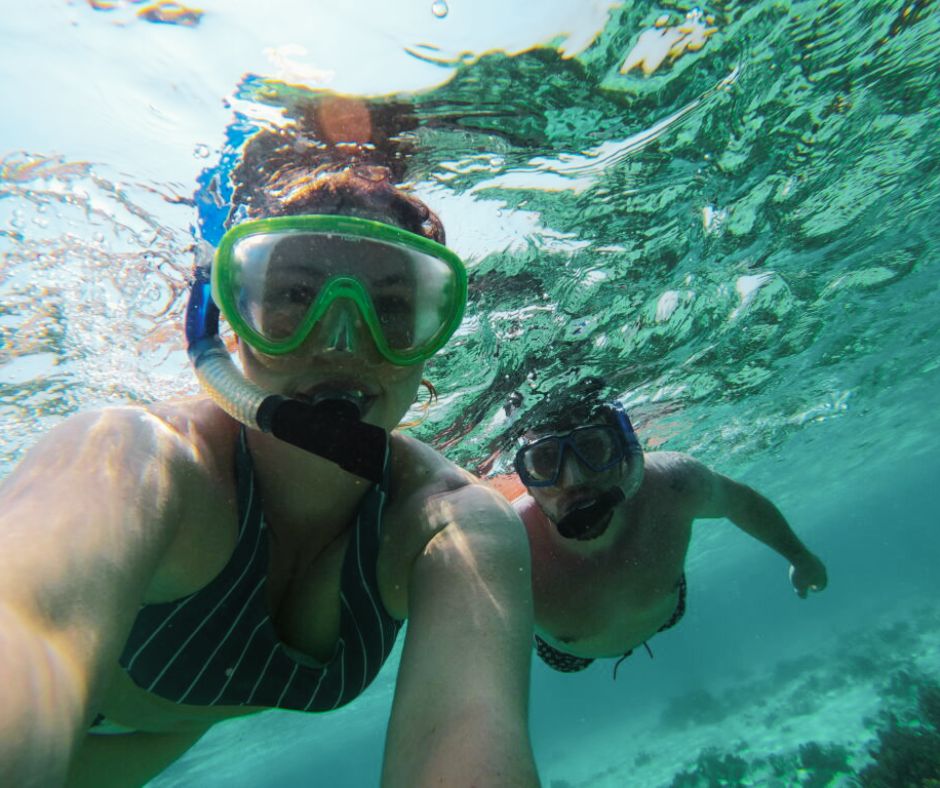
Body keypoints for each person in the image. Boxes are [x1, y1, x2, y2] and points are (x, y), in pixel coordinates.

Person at [0, 128, 539, 786]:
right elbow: (23, 624)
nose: (342, 343)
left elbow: (467, 727)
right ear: (230, 321)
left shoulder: (453, 525)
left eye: (393, 306)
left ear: (431, 340)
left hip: (150, 749)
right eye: (294, 296)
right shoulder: (136, 461)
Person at [496, 390, 828, 676]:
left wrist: (801, 557)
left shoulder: (672, 484)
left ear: (625, 453)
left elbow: (740, 503)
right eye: (545, 462)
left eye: (593, 450)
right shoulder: (506, 546)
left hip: (667, 613)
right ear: (526, 479)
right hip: (567, 656)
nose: (574, 480)